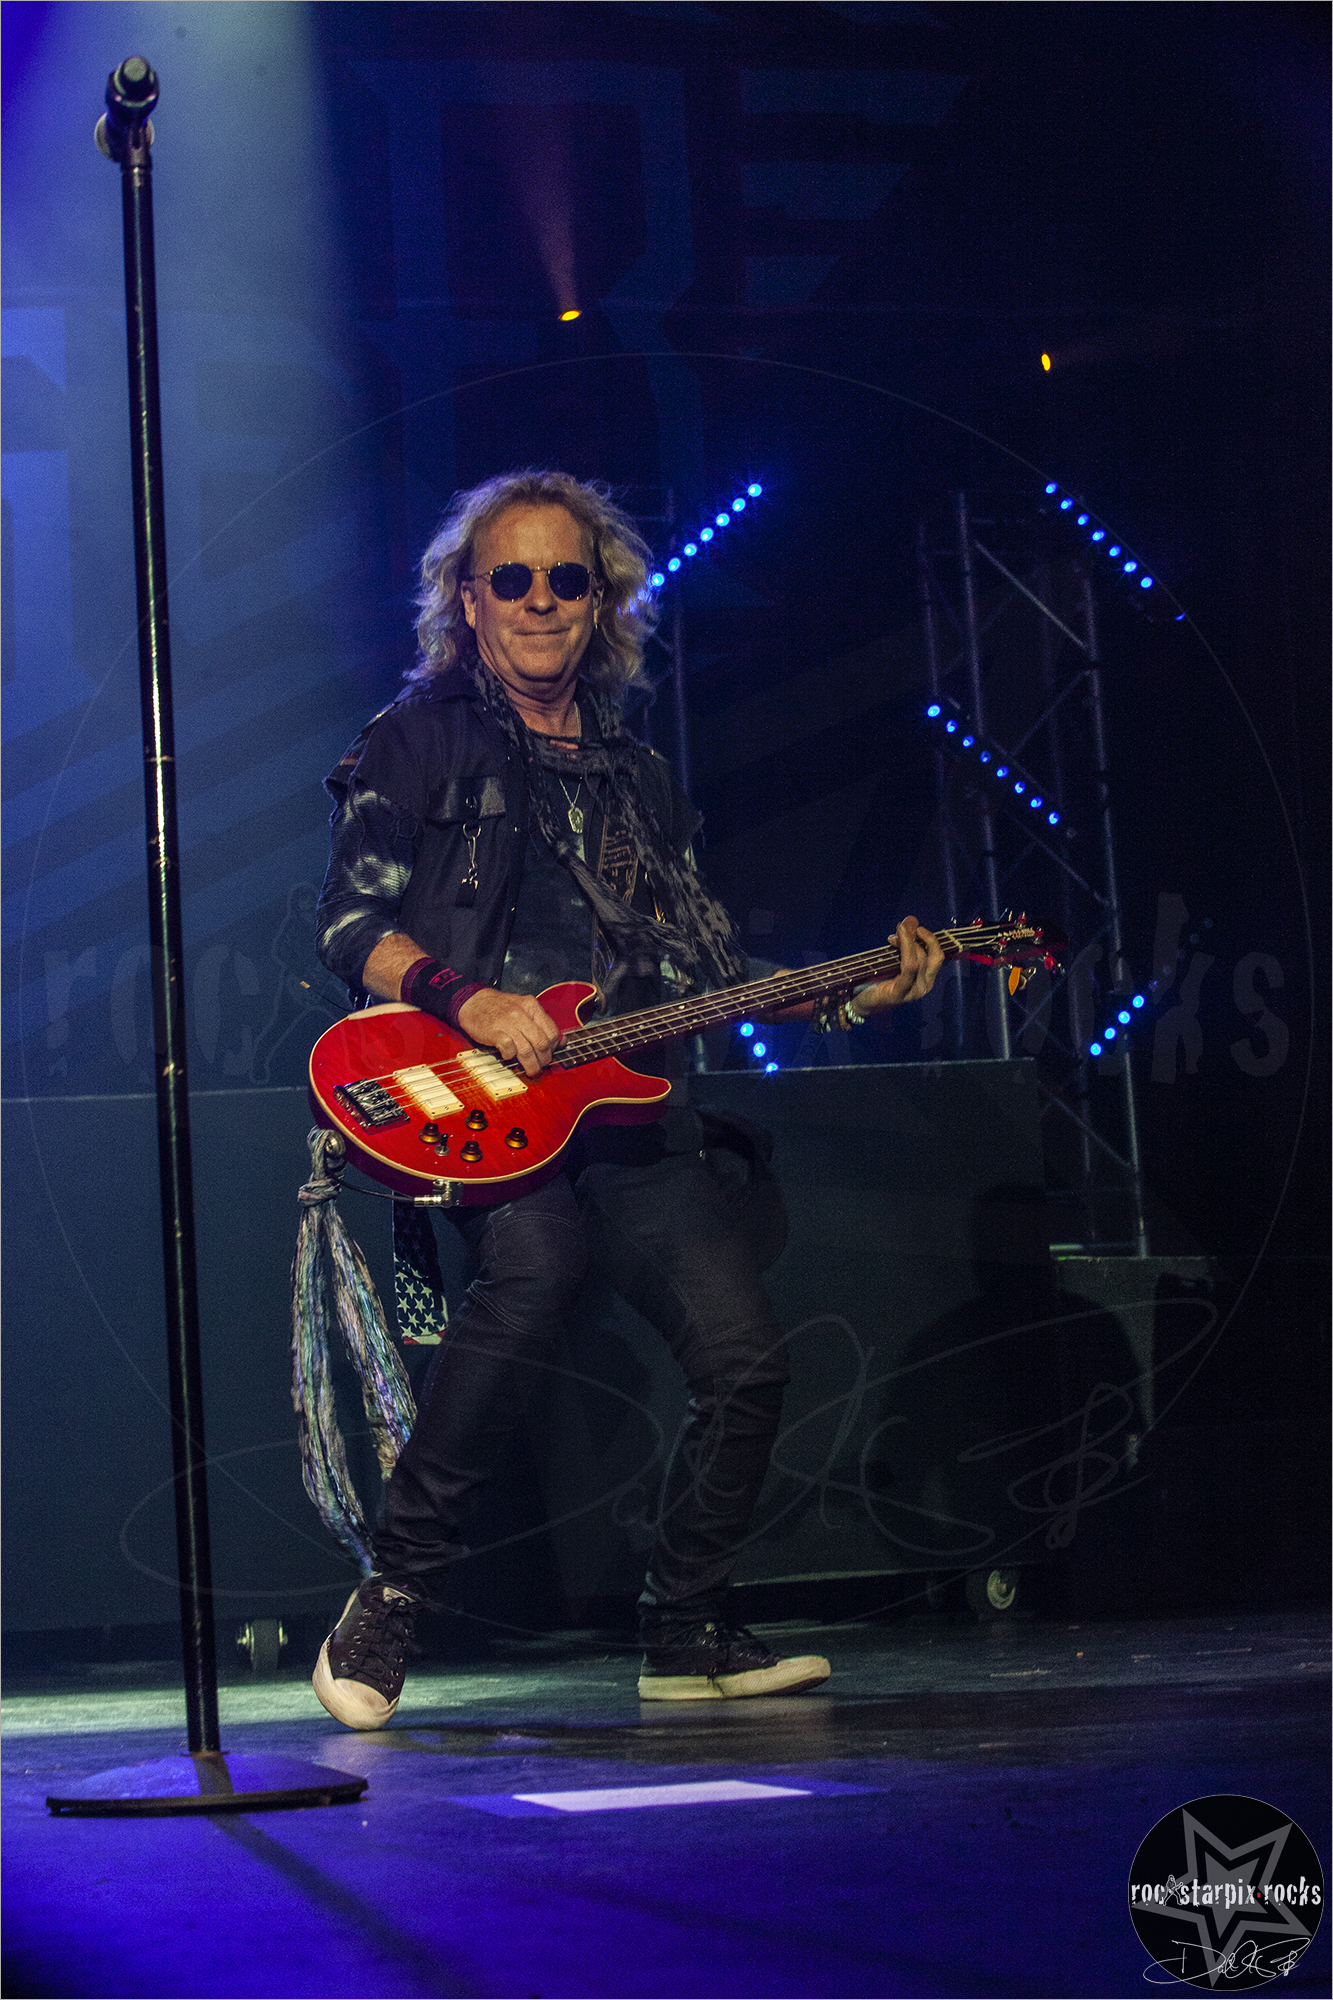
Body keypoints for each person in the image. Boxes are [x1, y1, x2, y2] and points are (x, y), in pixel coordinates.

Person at [311, 469, 943, 1729]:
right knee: (535, 1265)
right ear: (467, 601)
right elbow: (346, 923)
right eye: (512, 578)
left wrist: (845, 995)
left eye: (568, 578)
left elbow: (704, 975)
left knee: (746, 1356)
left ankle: (687, 1624)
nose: (541, 600)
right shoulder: (415, 736)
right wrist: (466, 998)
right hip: (483, 1097)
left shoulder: (639, 777)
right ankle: (391, 1595)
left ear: (600, 603)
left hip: (628, 1106)